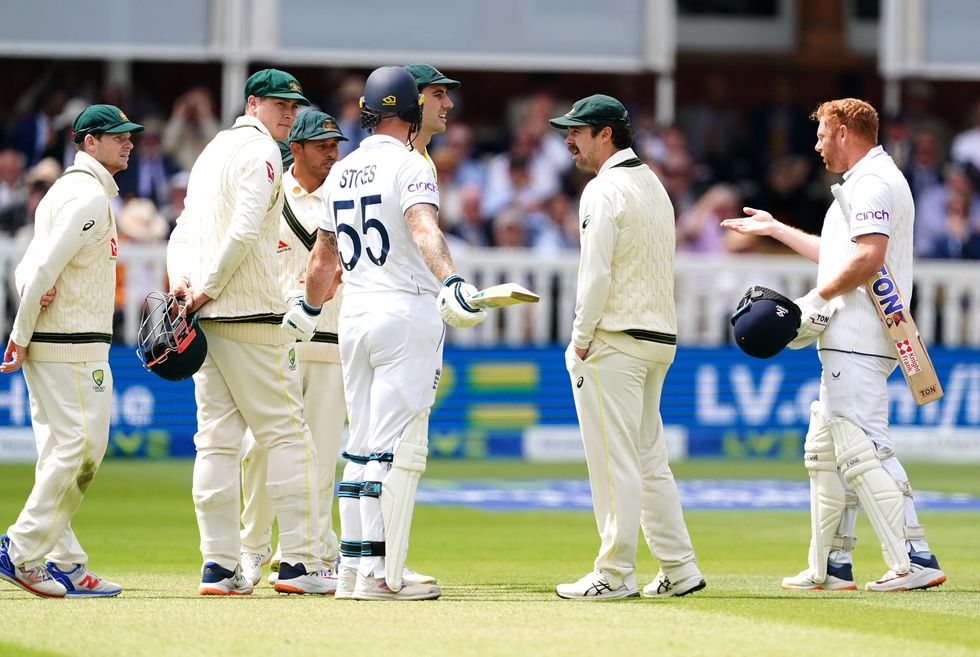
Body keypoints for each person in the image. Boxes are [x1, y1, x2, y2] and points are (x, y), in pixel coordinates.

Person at [721, 98, 947, 592]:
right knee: (826, 452)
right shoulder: (864, 182)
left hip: (859, 338)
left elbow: (868, 259)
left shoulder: (873, 182)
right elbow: (841, 254)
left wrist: (815, 299)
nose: (817, 144)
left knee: (866, 449)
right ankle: (831, 565)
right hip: (850, 338)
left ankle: (916, 557)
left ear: (843, 131)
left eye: (823, 133)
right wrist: (776, 229)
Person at [282, 65, 487, 601]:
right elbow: (424, 227)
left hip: (354, 316)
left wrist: (307, 307)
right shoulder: (410, 164)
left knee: (361, 446)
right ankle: (378, 575)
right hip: (404, 310)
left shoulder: (342, 170)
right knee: (390, 451)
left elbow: (323, 257)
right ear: (408, 108)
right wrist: (452, 281)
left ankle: (352, 572)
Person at [166, 68, 331, 596]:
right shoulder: (261, 155)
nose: (289, 113)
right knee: (288, 436)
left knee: (215, 442)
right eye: (279, 104)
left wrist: (184, 287)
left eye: (294, 105)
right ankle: (301, 564)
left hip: (206, 320)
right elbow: (239, 230)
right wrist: (206, 288)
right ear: (253, 103)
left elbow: (184, 230)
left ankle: (219, 565)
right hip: (252, 316)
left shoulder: (211, 150)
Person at [548, 94, 705, 600]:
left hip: (616, 340)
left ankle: (614, 573)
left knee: (615, 462)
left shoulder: (604, 188)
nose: (568, 141)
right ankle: (680, 568)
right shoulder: (653, 184)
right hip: (659, 339)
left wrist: (578, 340)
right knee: (647, 460)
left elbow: (595, 276)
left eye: (577, 132)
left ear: (606, 135)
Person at [0, 104, 144, 598]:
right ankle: (20, 550)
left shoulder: (66, 191)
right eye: (117, 136)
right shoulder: (87, 199)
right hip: (71, 347)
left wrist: (26, 328)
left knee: (58, 454)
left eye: (130, 136)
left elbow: (27, 268)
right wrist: (19, 335)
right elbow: (38, 272)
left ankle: (65, 561)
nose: (128, 142)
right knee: (81, 452)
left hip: (59, 344)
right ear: (88, 142)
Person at [238, 110, 348, 589]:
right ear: (296, 149)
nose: (332, 153)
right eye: (322, 145)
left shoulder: (346, 197)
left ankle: (307, 553)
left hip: (330, 341)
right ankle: (251, 547)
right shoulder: (270, 191)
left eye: (335, 144)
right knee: (258, 451)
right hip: (274, 340)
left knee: (321, 457)